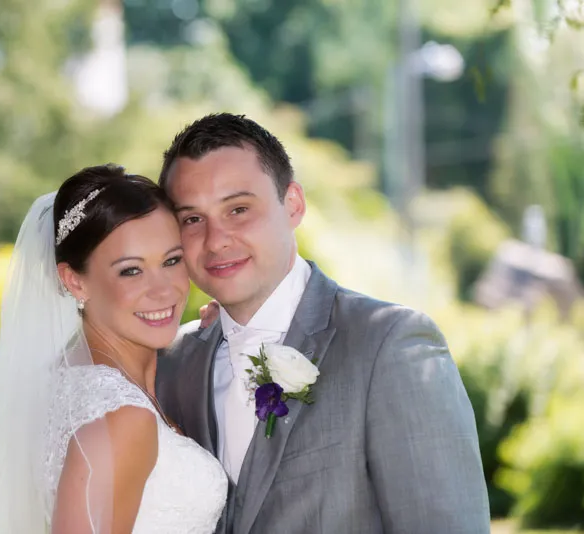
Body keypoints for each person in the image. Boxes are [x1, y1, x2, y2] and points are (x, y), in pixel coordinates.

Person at [155, 113, 491, 534]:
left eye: (238, 209)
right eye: (192, 219)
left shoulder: (391, 344)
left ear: (292, 204)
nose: (216, 239)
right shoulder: (168, 363)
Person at [0, 164, 227, 533]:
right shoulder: (122, 418)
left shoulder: (62, 382)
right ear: (75, 281)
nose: (164, 290)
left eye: (171, 260)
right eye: (131, 270)